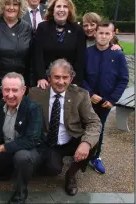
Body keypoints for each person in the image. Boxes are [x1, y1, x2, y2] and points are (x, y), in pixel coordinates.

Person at [29, 59, 101, 196]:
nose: (61, 82)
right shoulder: (35, 94)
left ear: (71, 78)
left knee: (93, 142)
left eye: (65, 77)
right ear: (49, 78)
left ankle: (71, 174)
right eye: (56, 77)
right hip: (49, 142)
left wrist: (85, 143)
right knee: (53, 170)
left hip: (71, 138)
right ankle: (50, 162)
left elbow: (94, 122)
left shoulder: (81, 95)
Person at [0, 72, 42, 204]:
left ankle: (21, 192)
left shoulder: (33, 108)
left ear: (23, 90)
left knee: (22, 157)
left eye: (15, 90)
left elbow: (31, 140)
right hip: (7, 149)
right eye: (6, 90)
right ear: (2, 90)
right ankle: (7, 168)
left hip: (29, 150)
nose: (10, 95)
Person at [82, 21, 129, 174]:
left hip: (106, 102)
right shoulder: (87, 53)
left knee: (99, 128)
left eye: (107, 33)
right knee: (83, 125)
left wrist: (112, 99)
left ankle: (95, 156)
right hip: (87, 99)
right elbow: (80, 76)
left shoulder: (118, 54)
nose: (103, 36)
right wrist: (89, 93)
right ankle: (81, 152)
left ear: (112, 35)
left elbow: (123, 79)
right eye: (100, 33)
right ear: (95, 33)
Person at [0, 0, 32, 130]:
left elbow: (30, 58)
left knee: (16, 126)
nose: (11, 7)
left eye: (15, 4)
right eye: (8, 4)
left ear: (20, 7)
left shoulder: (27, 28)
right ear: (2, 6)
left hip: (18, 86)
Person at [34, 0, 86, 89]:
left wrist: (75, 81)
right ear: (53, 10)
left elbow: (80, 60)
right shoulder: (42, 28)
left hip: (68, 82)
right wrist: (41, 77)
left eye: (65, 7)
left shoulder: (77, 30)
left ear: (69, 10)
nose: (61, 9)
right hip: (46, 81)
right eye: (58, 6)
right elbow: (37, 56)